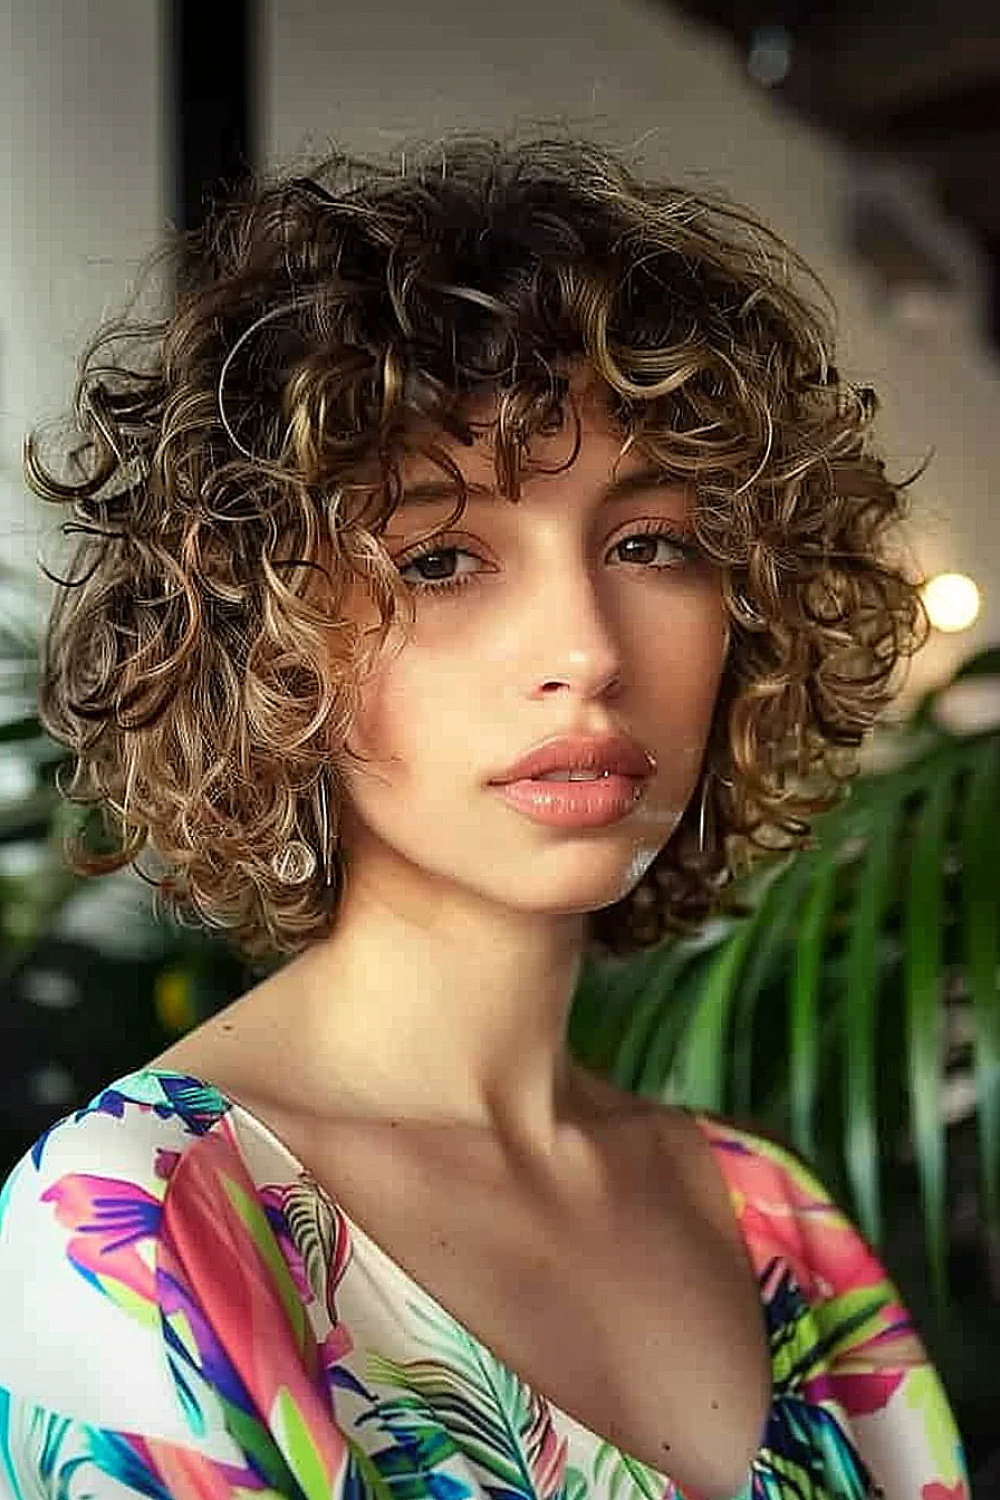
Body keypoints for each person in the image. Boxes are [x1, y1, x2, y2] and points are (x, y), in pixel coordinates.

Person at [0, 134, 970, 1500]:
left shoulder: (780, 1229)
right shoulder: (143, 1224)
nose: (586, 646)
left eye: (652, 544)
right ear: (266, 644)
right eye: (442, 558)